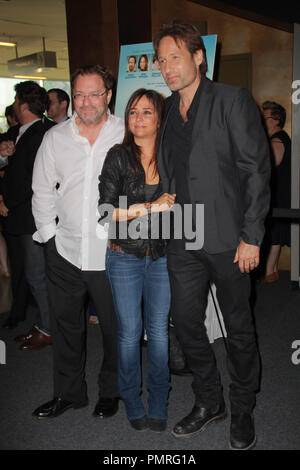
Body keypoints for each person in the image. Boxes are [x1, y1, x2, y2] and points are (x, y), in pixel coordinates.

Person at [153, 20, 270, 450]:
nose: (167, 67)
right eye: (162, 60)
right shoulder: (167, 111)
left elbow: (256, 171)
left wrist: (252, 235)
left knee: (238, 327)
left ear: (199, 57)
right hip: (183, 236)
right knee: (185, 324)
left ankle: (242, 408)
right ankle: (209, 400)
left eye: (175, 57)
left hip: (228, 237)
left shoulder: (231, 100)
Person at [31, 65, 124, 420]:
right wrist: (50, 237)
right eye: (80, 94)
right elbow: (41, 190)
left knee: (117, 330)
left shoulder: (125, 132)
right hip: (65, 251)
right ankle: (69, 394)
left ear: (108, 96)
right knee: (67, 328)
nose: (86, 102)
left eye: (94, 94)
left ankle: (111, 392)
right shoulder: (55, 137)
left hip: (112, 253)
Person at [99, 88, 173, 432]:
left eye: (146, 112)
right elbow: (104, 211)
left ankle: (159, 399)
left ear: (160, 116)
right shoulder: (118, 155)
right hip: (123, 256)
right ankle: (130, 398)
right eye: (132, 112)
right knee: (130, 334)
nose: (138, 118)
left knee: (158, 332)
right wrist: (149, 207)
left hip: (160, 256)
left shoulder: (171, 155)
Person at [0, 82, 55, 350]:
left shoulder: (43, 133)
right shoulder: (19, 132)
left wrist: (6, 201)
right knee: (36, 275)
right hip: (25, 216)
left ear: (23, 105)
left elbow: (35, 180)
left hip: (34, 217)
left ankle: (48, 328)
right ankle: (45, 324)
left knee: (38, 274)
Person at [260, 101, 291, 282]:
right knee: (275, 231)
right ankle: (271, 270)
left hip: (277, 194)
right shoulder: (281, 138)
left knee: (274, 232)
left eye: (265, 118)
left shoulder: (277, 140)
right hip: (280, 193)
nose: (262, 121)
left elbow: (268, 166)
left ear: (276, 120)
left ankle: (269, 271)